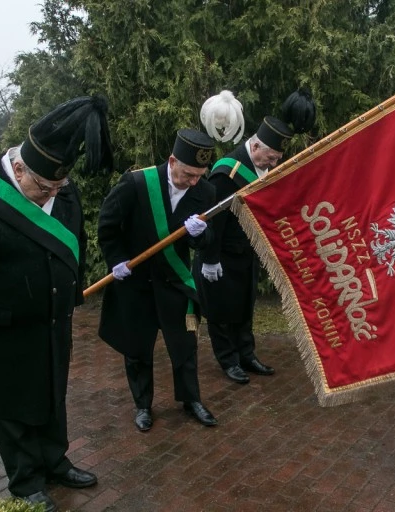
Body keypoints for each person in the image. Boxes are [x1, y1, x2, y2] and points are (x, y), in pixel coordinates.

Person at [0, 96, 113, 512]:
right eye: (43, 187)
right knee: (12, 407)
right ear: (17, 168)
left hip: (51, 322)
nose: (50, 195)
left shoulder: (64, 192)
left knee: (52, 394)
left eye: (57, 187)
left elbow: (73, 243)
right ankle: (25, 479)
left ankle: (55, 460)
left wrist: (71, 296)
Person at [98, 128, 218, 432]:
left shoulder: (205, 192)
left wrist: (200, 235)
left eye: (198, 175)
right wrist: (116, 261)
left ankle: (192, 400)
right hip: (135, 283)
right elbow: (108, 225)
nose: (193, 182)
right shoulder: (136, 183)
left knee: (185, 343)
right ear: (172, 160)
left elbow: (204, 242)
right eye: (188, 174)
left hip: (175, 284)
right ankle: (142, 405)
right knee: (137, 348)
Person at [192, 116, 294, 384]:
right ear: (256, 146)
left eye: (277, 159)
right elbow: (214, 219)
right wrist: (211, 260)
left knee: (245, 305)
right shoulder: (229, 172)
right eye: (270, 157)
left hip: (246, 251)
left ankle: (246, 354)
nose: (273, 164)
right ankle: (228, 359)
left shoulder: (263, 164)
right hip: (222, 255)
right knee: (222, 309)